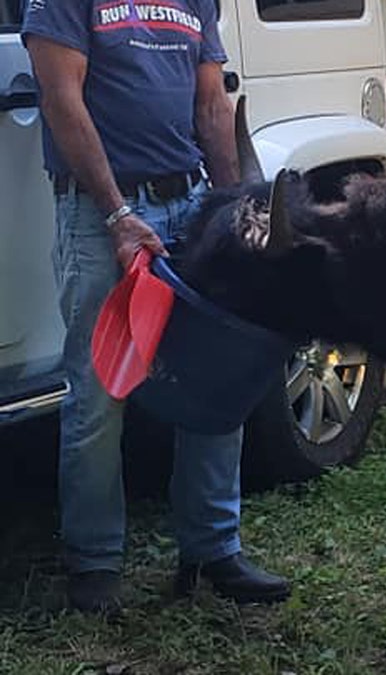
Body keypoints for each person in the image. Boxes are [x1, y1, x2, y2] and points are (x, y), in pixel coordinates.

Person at [21, 0, 290, 615]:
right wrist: (117, 213)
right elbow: (63, 99)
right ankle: (94, 563)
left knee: (215, 377)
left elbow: (211, 103)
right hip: (102, 216)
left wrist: (230, 208)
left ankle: (213, 549)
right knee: (99, 394)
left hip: (189, 202)